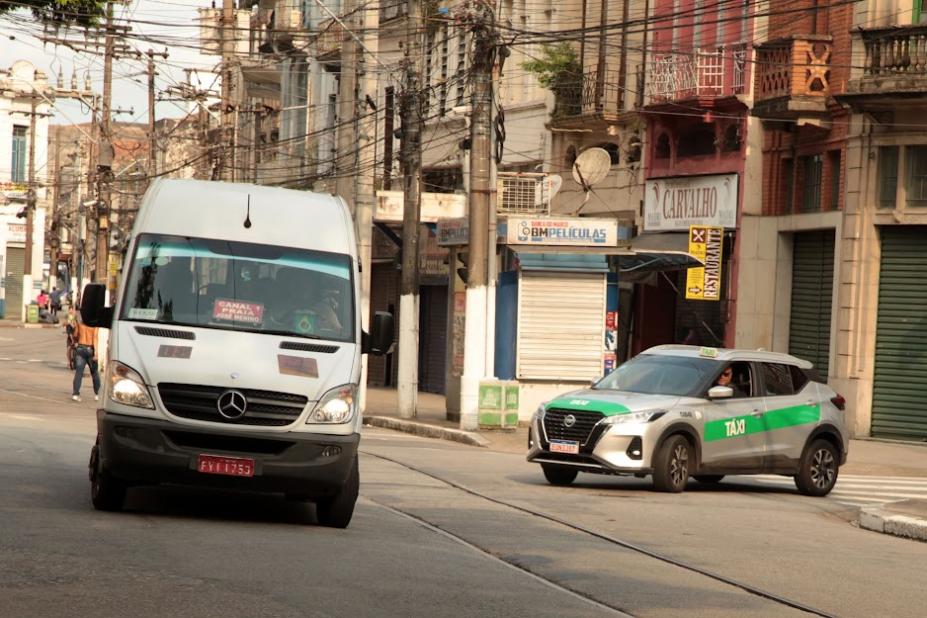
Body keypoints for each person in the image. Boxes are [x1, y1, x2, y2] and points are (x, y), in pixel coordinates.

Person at [71, 313, 101, 403]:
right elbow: (95, 338)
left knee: (79, 373)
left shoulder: (80, 324)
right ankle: (97, 394)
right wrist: (96, 353)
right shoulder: (95, 326)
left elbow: (75, 335)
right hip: (90, 349)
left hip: (80, 349)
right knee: (94, 372)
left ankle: (75, 394)